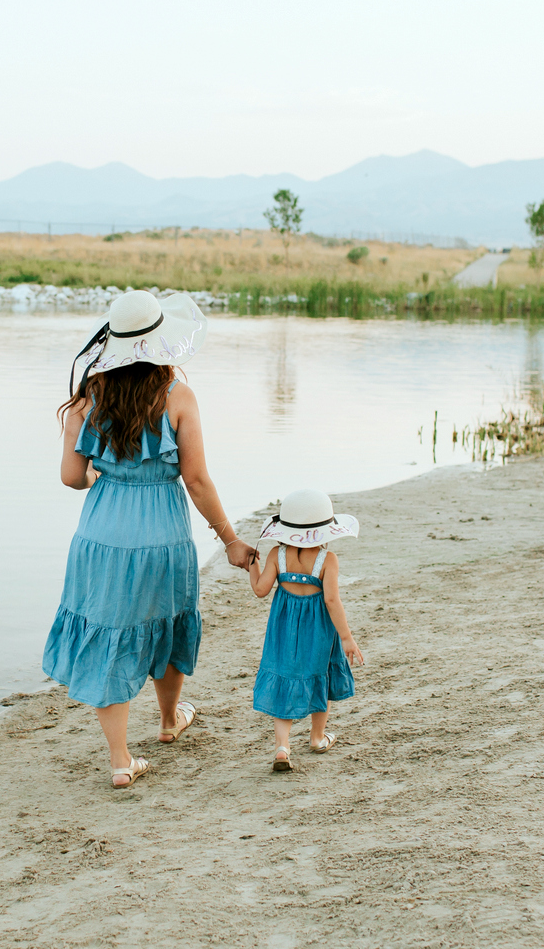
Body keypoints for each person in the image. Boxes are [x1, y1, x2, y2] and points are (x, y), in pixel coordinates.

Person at [45, 289, 256, 789]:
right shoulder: (178, 397)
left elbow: (71, 477)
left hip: (101, 532)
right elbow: (197, 479)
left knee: (108, 632)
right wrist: (229, 539)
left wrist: (105, 480)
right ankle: (167, 721)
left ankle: (121, 760)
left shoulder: (88, 397)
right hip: (162, 530)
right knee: (168, 621)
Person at [247, 489, 365, 773]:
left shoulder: (277, 554)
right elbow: (331, 600)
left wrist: (253, 564)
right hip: (319, 630)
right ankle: (316, 737)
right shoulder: (328, 560)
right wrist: (347, 638)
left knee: (283, 677)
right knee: (319, 674)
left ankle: (282, 747)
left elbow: (261, 590)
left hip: (282, 629)